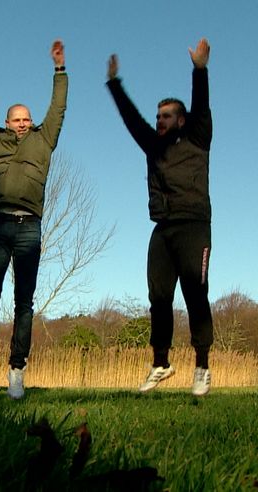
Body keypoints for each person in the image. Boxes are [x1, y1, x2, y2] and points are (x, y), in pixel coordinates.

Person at [106, 38, 215, 396]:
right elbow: (132, 120)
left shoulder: (197, 137)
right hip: (163, 229)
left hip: (194, 225)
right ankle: (161, 363)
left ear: (181, 120)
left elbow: (201, 105)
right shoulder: (153, 145)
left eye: (166, 116)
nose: (160, 121)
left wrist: (199, 70)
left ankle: (202, 367)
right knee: (159, 296)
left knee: (195, 294)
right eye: (158, 117)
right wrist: (115, 85)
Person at [0, 38, 68, 400]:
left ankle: (16, 370)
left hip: (30, 227)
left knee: (24, 302)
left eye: (27, 119)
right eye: (17, 119)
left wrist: (59, 69)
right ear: (8, 122)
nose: (23, 124)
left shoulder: (43, 141)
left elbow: (58, 108)